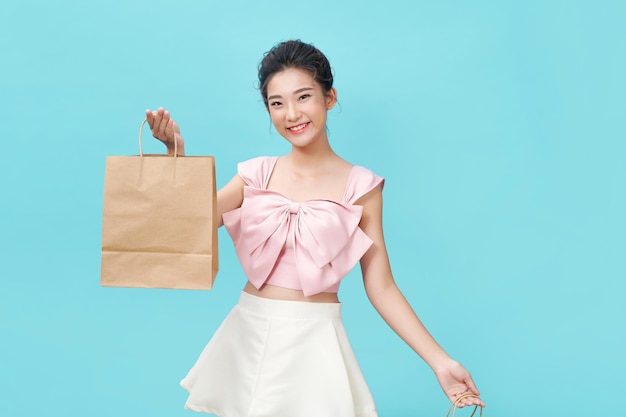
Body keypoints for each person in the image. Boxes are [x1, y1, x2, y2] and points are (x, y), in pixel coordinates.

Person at [146, 40, 485, 417]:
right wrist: (175, 157)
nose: (291, 113)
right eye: (276, 103)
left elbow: (381, 285)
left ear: (329, 97)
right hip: (249, 334)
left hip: (314, 341)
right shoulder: (254, 174)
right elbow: (186, 223)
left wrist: (440, 361)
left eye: (303, 96)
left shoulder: (362, 187)